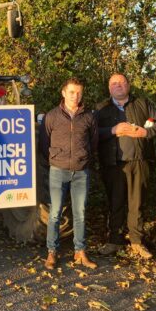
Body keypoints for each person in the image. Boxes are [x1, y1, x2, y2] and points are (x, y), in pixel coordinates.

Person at [96, 73, 156, 259]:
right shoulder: (102, 108)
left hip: (139, 161)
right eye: (114, 83)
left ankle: (136, 242)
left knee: (137, 204)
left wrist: (145, 132)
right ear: (109, 88)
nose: (118, 85)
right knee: (115, 204)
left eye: (122, 82)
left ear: (128, 85)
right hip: (113, 164)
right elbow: (91, 134)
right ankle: (114, 241)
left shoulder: (142, 103)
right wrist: (112, 130)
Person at [39, 77, 98, 270]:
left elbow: (94, 142)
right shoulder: (52, 116)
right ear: (63, 93)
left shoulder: (89, 116)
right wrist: (56, 158)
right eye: (72, 92)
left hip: (81, 172)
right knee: (55, 213)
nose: (76, 96)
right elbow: (44, 144)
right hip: (58, 171)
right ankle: (52, 252)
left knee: (80, 213)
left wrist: (84, 158)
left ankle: (80, 251)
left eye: (79, 92)